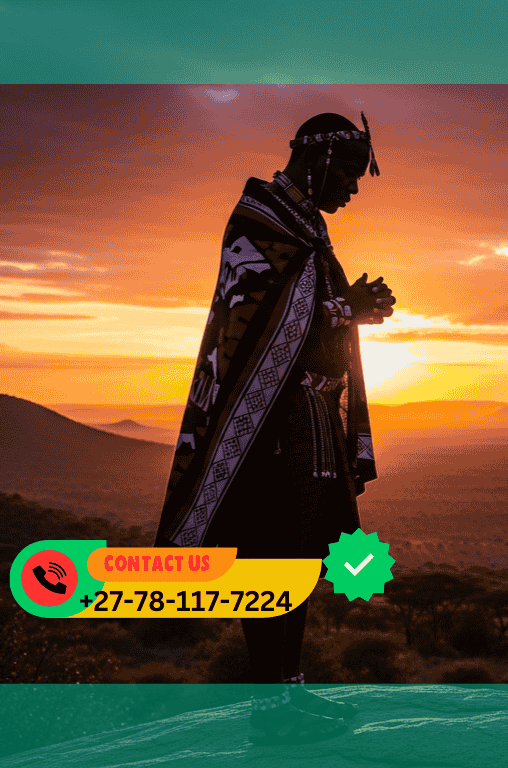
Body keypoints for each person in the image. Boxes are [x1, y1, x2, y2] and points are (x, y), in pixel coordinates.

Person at [154, 112, 395, 744]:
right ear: (316, 161)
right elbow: (253, 319)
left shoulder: (306, 227)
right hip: (263, 424)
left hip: (310, 418)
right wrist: (350, 307)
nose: (353, 187)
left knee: (303, 559)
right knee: (268, 560)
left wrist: (352, 309)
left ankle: (290, 693)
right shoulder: (259, 220)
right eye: (347, 171)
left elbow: (309, 315)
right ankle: (272, 708)